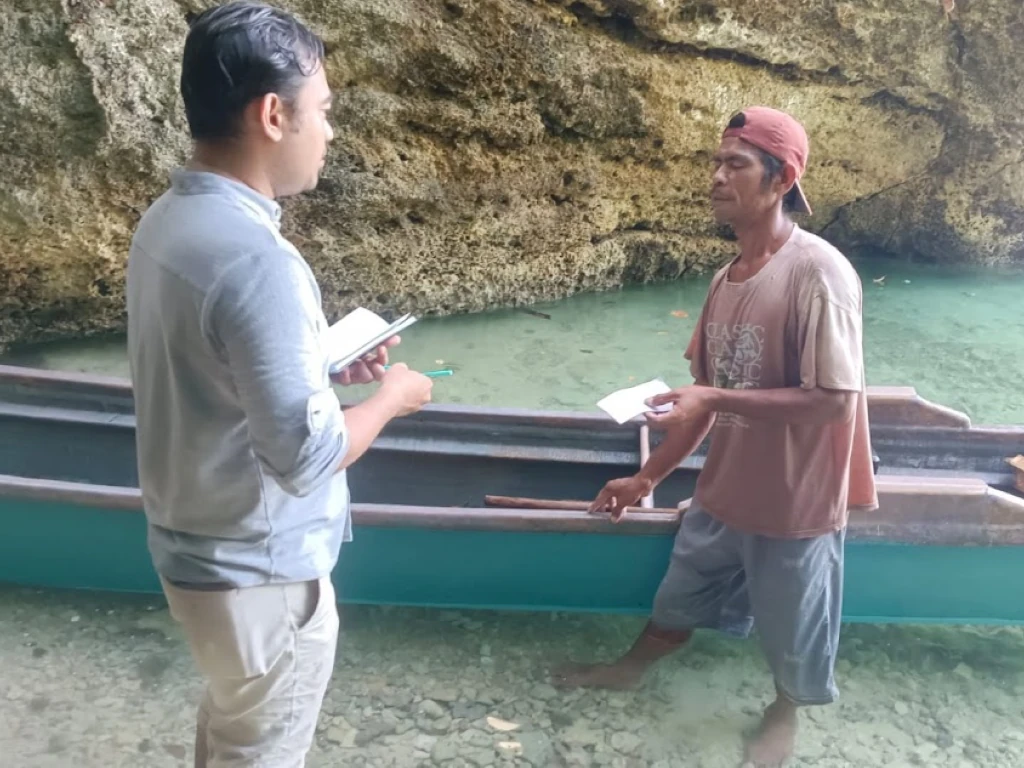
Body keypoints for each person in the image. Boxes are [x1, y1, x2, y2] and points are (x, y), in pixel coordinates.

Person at [125, 3, 433, 765]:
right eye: (321, 111)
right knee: (262, 750)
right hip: (258, 573)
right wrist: (391, 398)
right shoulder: (259, 260)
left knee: (233, 728)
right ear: (272, 115)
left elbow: (211, 364)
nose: (329, 132)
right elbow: (304, 458)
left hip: (195, 554)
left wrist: (315, 365)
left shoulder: (168, 221)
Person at [552, 107, 878, 768]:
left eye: (737, 164)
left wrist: (715, 397)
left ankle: (784, 712)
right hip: (723, 490)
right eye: (716, 163)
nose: (717, 177)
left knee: (794, 627)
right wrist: (646, 478)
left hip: (796, 502)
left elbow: (833, 402)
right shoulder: (724, 279)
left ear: (781, 180)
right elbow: (703, 400)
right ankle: (632, 668)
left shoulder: (820, 273)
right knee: (679, 594)